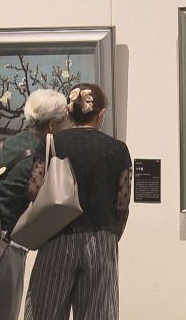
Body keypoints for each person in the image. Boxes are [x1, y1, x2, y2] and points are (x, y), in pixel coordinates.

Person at [0, 89, 69, 320]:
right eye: (64, 121)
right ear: (51, 125)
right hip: (5, 247)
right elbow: (41, 201)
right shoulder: (42, 155)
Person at [24, 83, 132, 320]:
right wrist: (112, 235)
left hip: (57, 237)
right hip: (101, 239)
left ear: (69, 114)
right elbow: (122, 204)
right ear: (101, 114)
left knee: (44, 311)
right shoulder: (118, 149)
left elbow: (33, 190)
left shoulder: (53, 143)